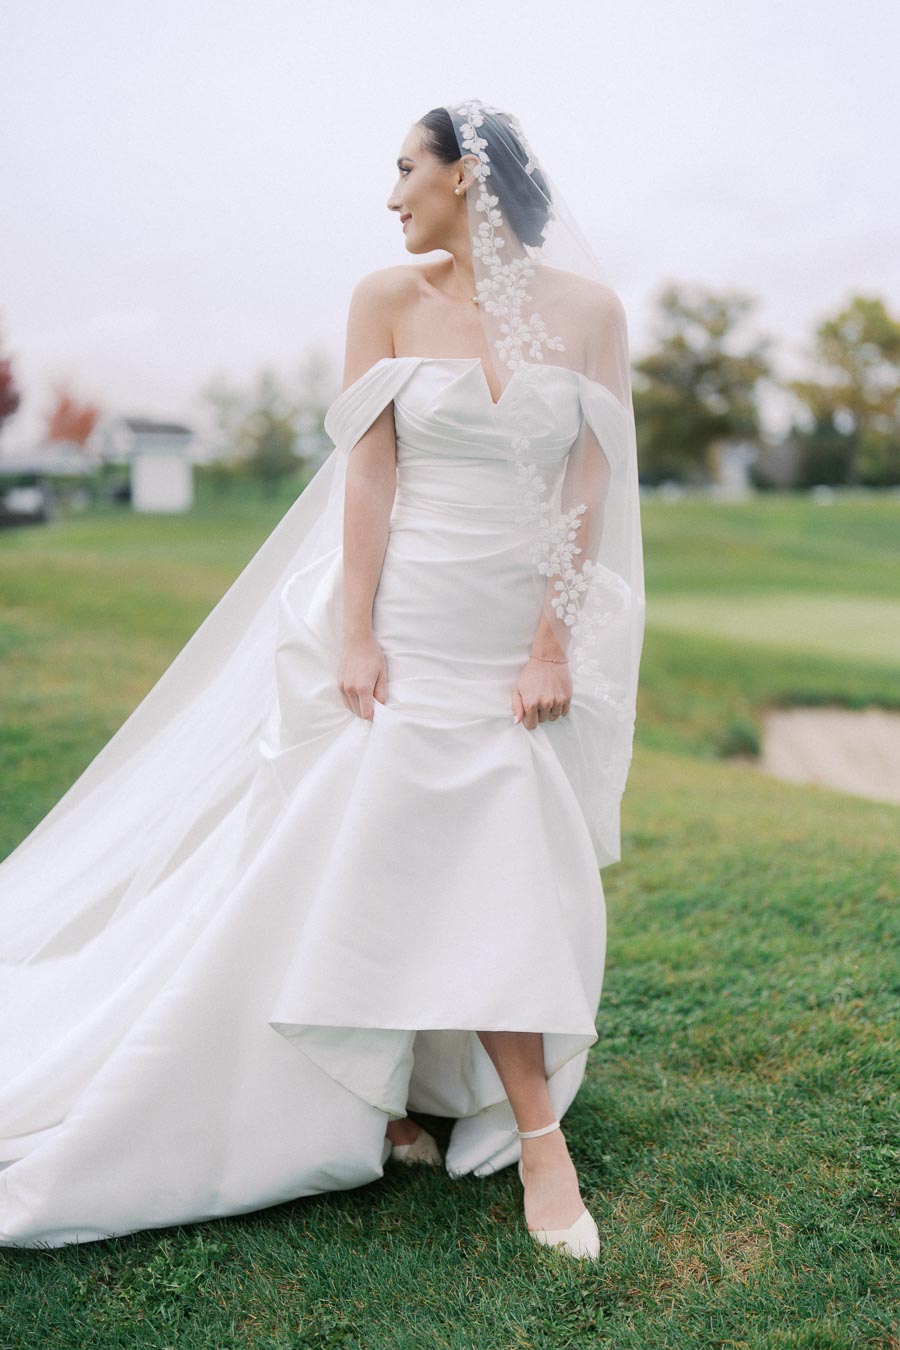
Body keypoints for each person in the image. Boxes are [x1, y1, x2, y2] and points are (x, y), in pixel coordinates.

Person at [0, 99, 645, 1262]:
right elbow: (369, 480)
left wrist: (555, 642)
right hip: (407, 618)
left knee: (489, 846)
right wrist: (356, 634)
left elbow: (587, 489)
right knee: (386, 848)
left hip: (511, 629)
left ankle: (532, 1136)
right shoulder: (385, 301)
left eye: (407, 169)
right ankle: (415, 1105)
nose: (391, 194)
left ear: (469, 176)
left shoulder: (592, 315)